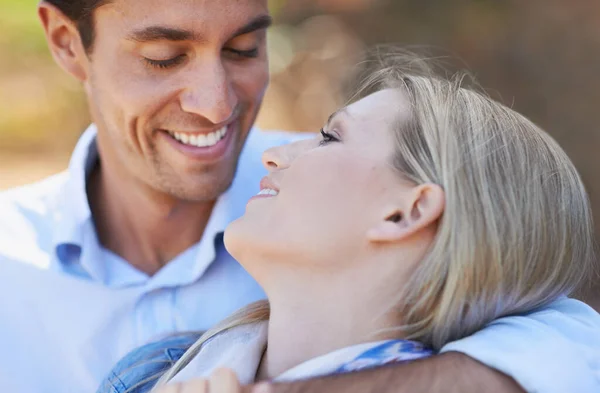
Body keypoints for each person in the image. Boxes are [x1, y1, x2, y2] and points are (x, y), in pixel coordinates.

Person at [0, 0, 597, 391]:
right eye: (163, 57)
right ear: (65, 43)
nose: (215, 105)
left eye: (243, 50)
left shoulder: (309, 194)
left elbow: (571, 339)